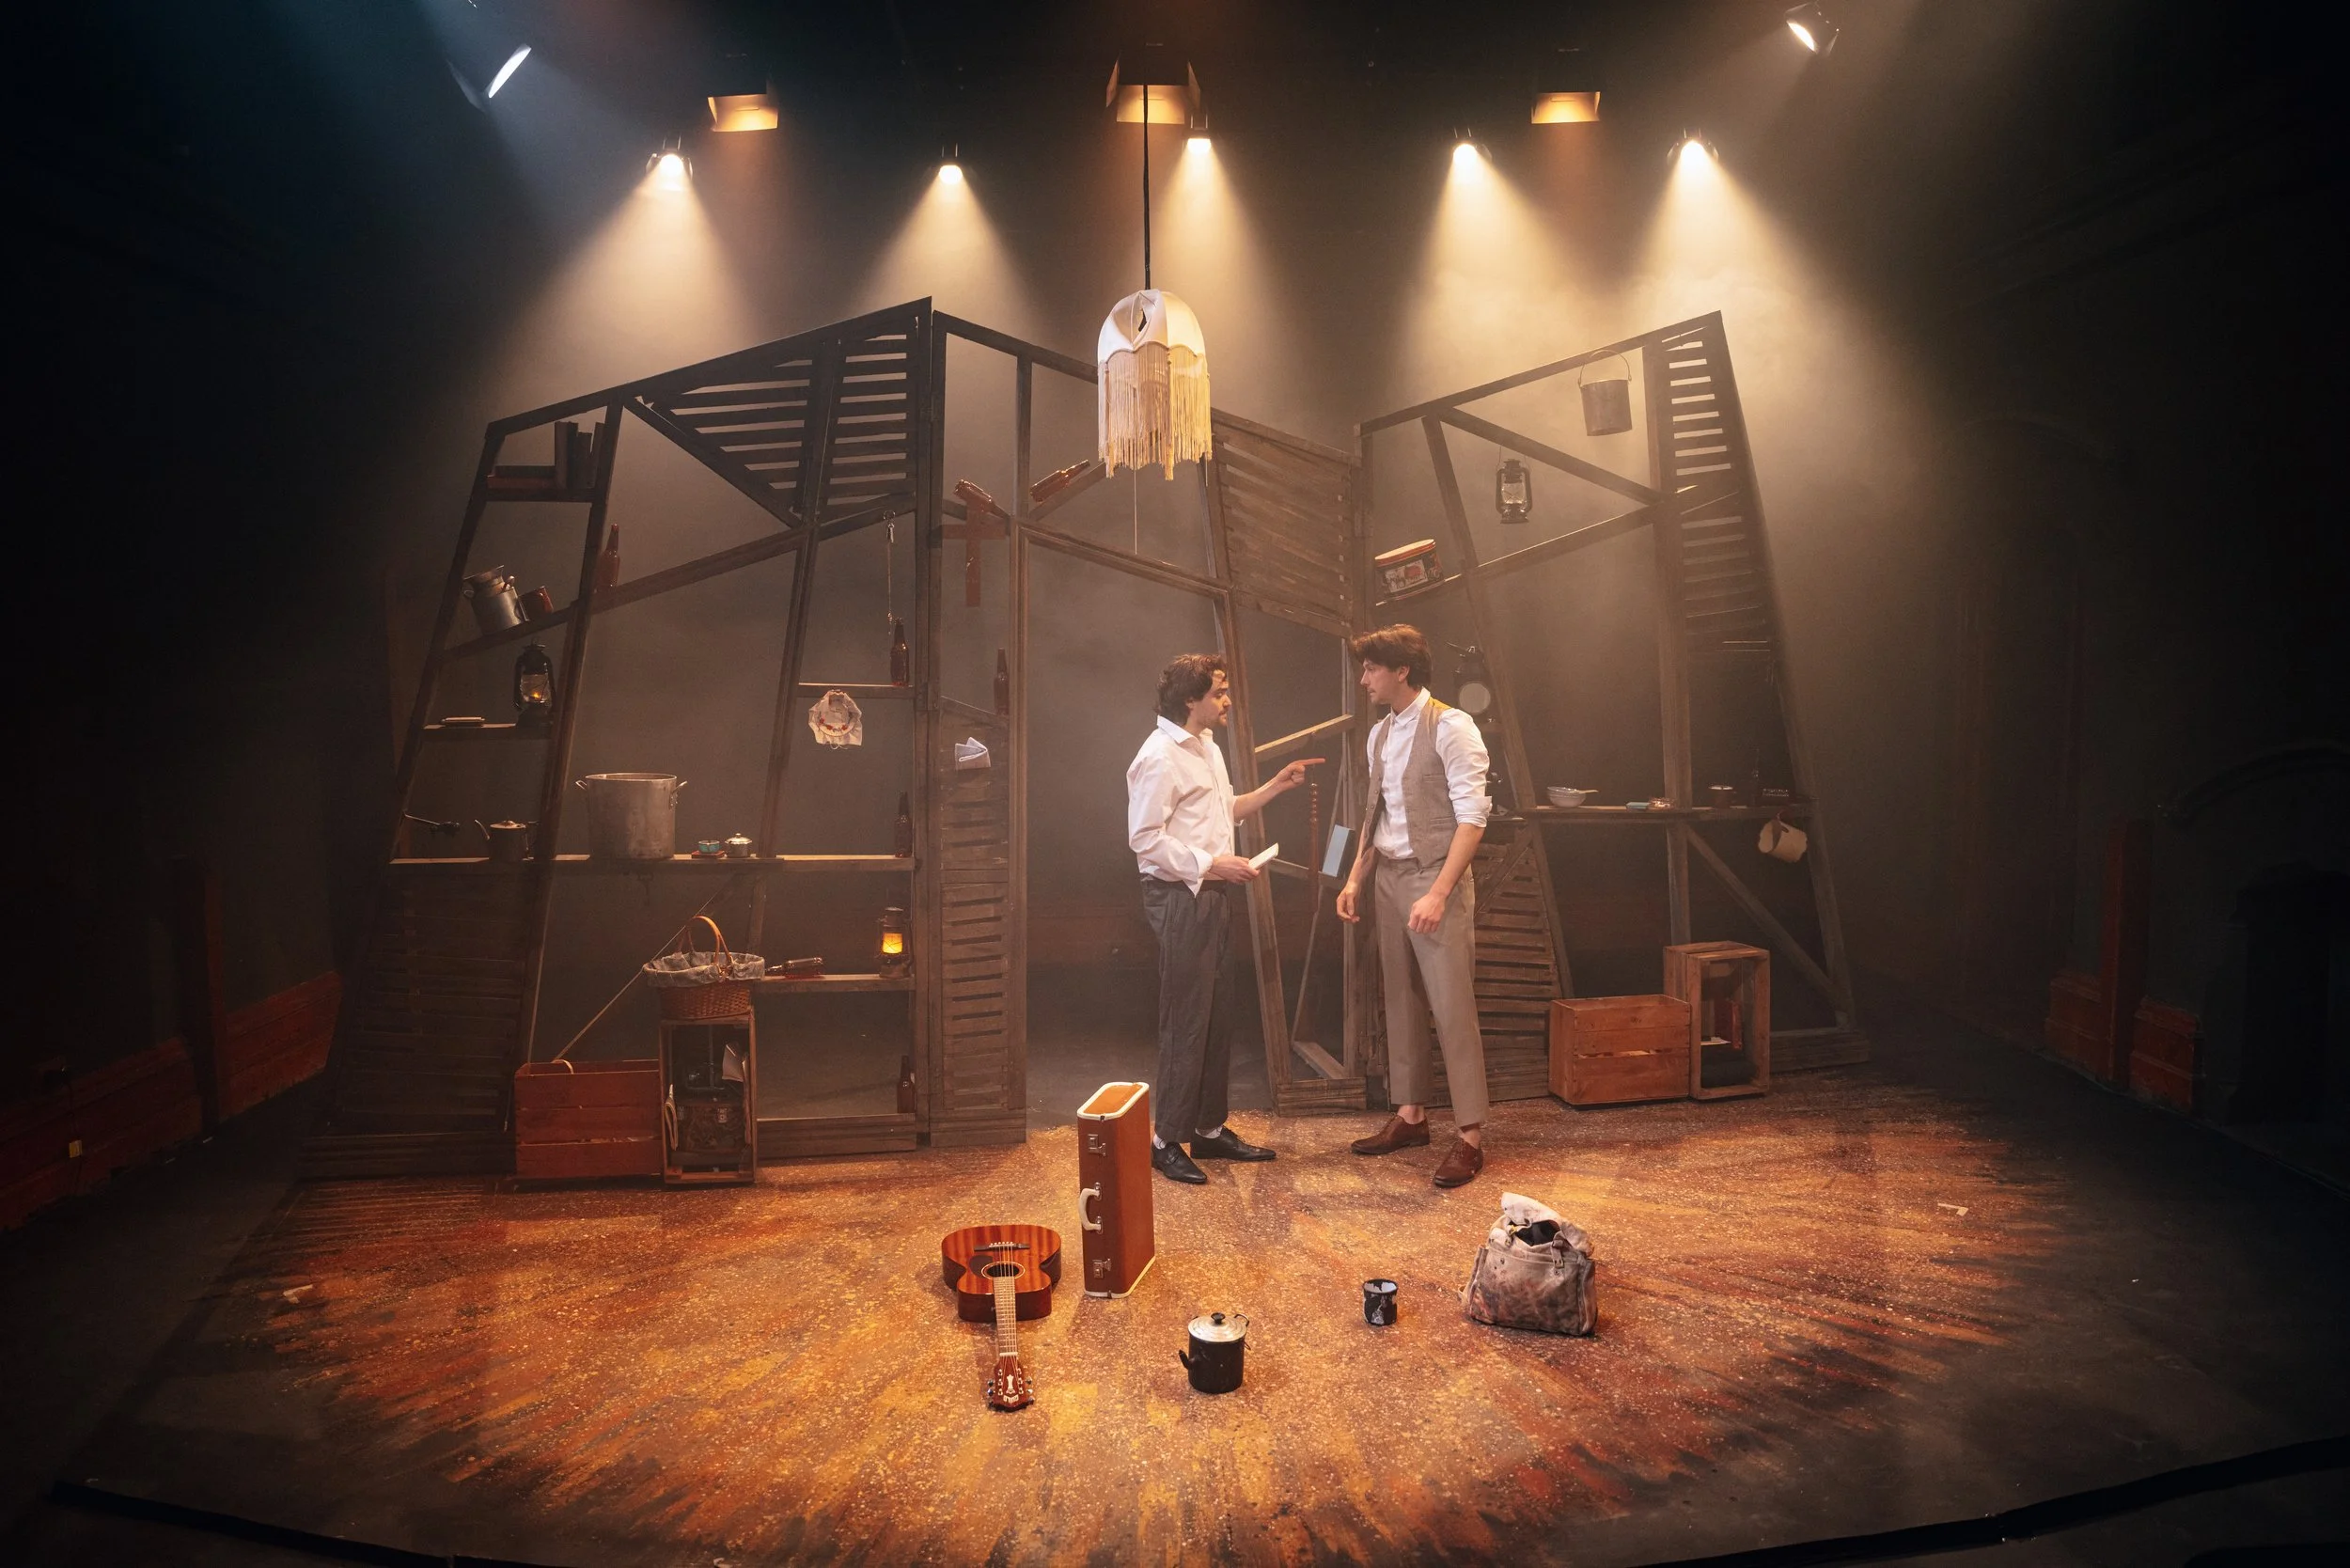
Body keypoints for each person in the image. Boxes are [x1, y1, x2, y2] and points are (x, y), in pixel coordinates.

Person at [1127, 652, 1319, 1184]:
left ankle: (1207, 1129)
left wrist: (1275, 786)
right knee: (1187, 1018)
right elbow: (1145, 839)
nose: (1227, 700)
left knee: (1217, 1015)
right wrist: (1213, 864)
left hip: (1210, 895)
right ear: (1191, 699)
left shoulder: (1206, 747)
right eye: (1218, 692)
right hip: (1180, 896)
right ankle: (1165, 1140)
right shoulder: (1159, 756)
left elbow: (1222, 810)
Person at [1336, 623, 1493, 1188]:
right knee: (1400, 999)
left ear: (1401, 670)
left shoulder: (1451, 725)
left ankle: (1470, 1135)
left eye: (1372, 668)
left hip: (1434, 876)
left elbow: (1473, 818)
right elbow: (1372, 813)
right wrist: (1354, 878)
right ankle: (1411, 1115)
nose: (1365, 679)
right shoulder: (1379, 733)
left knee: (1451, 1006)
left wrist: (1439, 892)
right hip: (1389, 876)